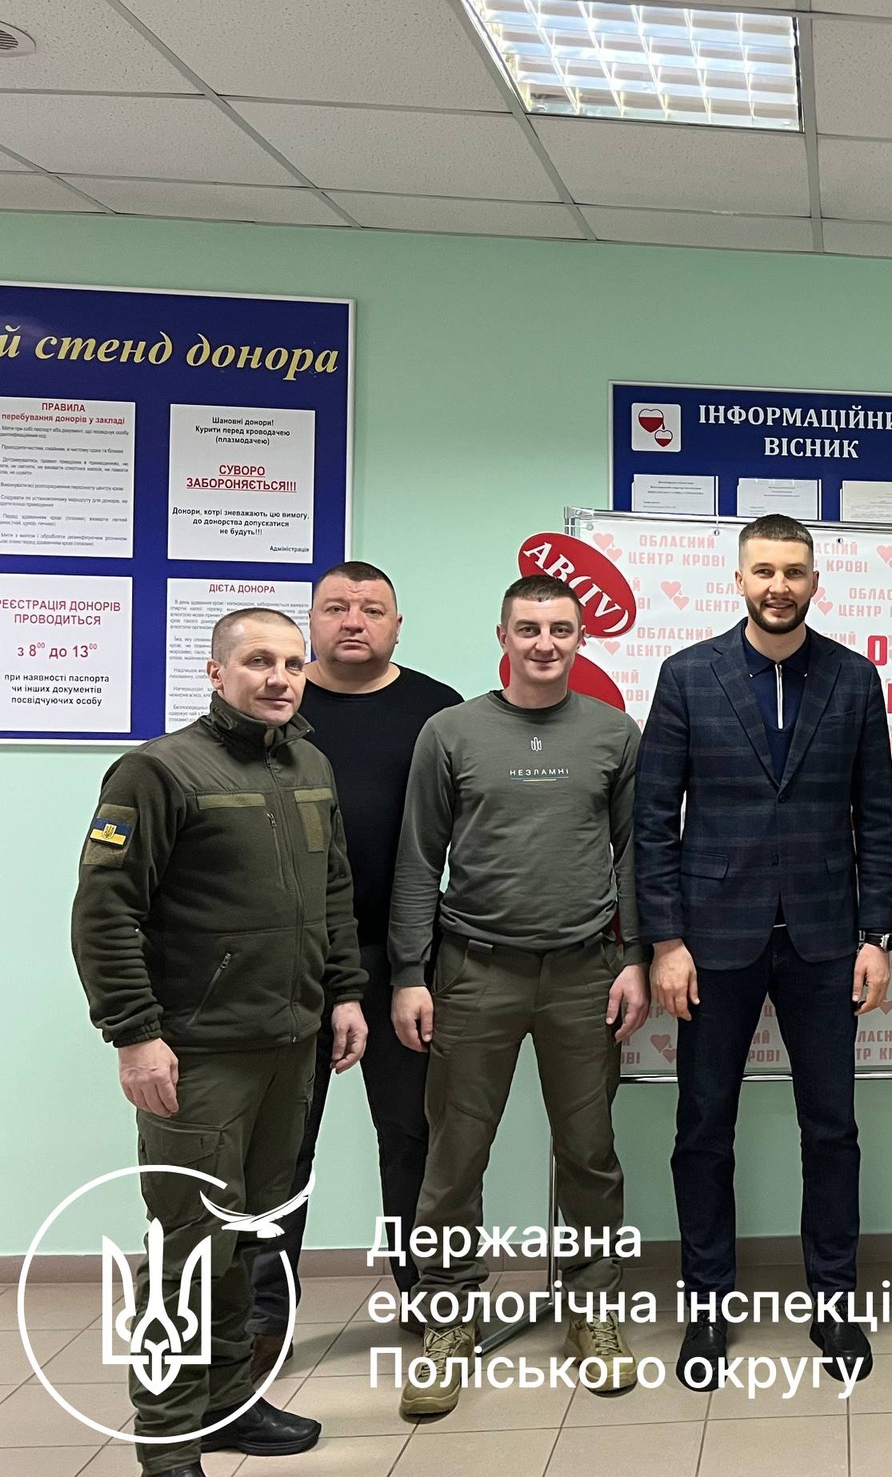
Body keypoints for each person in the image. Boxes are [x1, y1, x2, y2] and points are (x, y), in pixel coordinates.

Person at [73, 607, 369, 1477]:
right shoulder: (157, 770)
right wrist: (135, 1035)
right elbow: (105, 911)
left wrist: (345, 992)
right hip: (199, 1053)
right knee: (189, 1246)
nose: (279, 678)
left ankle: (228, 1404)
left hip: (291, 1042)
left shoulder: (309, 764)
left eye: (292, 663)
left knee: (249, 1233)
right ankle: (168, 1439)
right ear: (215, 673)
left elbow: (334, 890)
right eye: (258, 662)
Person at [635, 513, 892, 1384]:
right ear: (739, 581)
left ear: (814, 581)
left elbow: (877, 817)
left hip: (826, 943)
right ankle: (707, 1310)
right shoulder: (687, 676)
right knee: (704, 1129)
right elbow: (653, 821)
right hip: (712, 943)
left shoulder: (854, 678)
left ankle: (835, 1304)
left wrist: (876, 936)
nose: (779, 585)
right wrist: (666, 941)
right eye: (764, 571)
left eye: (793, 571)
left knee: (833, 1131)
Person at [388, 574, 650, 1418]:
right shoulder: (451, 732)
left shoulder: (614, 733)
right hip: (474, 970)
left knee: (590, 1153)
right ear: (502, 635)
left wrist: (635, 959)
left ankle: (592, 1311)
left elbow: (634, 855)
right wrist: (408, 974)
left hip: (585, 971)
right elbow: (418, 859)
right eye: (529, 628)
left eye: (560, 629)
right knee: (455, 1156)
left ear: (581, 638)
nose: (545, 643)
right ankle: (447, 1320)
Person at [246, 562, 461, 1379]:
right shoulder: (278, 704)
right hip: (292, 960)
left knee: (412, 1134)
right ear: (311, 621)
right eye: (336, 607)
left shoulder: (438, 710)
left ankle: (425, 1291)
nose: (353, 621)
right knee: (282, 1143)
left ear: (397, 624)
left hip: (405, 958)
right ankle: (266, 1314)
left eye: (372, 608)